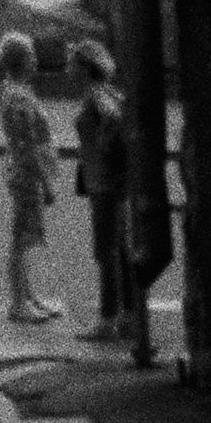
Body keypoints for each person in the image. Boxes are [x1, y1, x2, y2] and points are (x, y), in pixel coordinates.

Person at [0, 27, 63, 322]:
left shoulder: (14, 91)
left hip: (23, 171)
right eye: (31, 54)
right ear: (21, 60)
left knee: (26, 236)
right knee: (22, 237)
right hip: (26, 174)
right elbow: (28, 145)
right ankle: (18, 303)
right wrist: (46, 183)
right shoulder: (18, 97)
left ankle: (28, 297)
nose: (35, 59)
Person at [68, 36, 130, 337]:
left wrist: (103, 145)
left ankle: (107, 319)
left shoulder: (95, 93)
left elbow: (113, 118)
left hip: (102, 181)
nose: (68, 68)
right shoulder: (105, 89)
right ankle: (129, 314)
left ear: (85, 66)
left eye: (72, 63)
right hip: (112, 179)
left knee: (105, 250)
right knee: (120, 248)